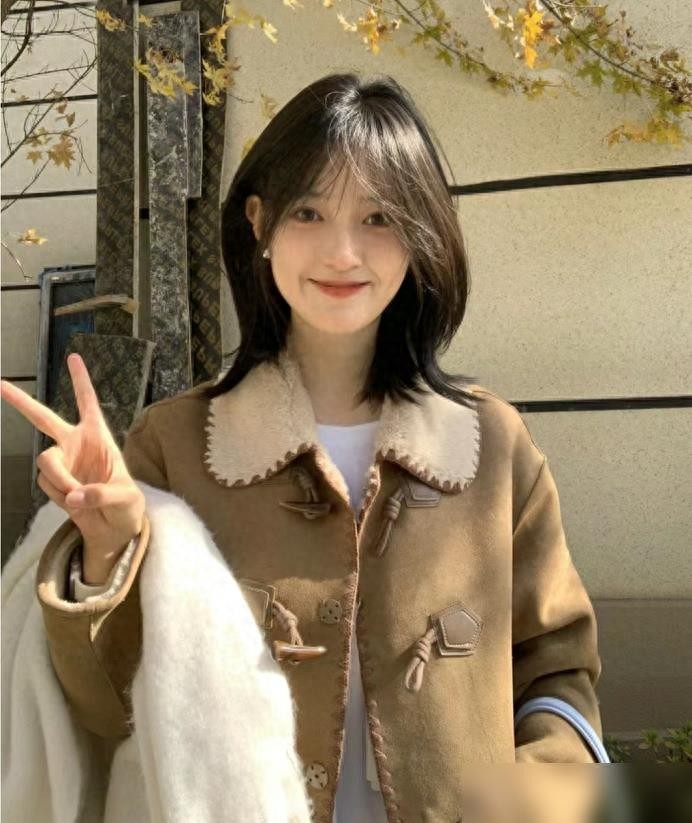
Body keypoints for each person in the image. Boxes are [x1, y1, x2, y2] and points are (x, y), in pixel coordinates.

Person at [1, 72, 606, 822]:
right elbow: (105, 711)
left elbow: (559, 672)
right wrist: (108, 552)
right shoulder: (174, 446)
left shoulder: (494, 446)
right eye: (310, 212)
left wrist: (538, 801)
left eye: (378, 217)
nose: (342, 252)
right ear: (259, 222)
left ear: (419, 234)